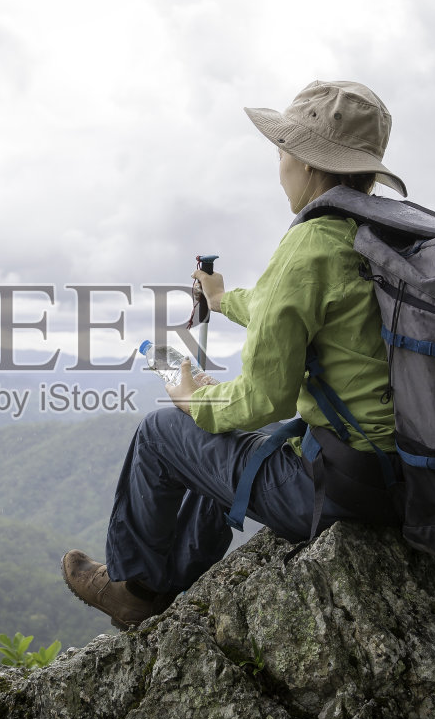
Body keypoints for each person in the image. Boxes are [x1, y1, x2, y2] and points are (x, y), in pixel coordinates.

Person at [62, 80, 407, 628]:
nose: (280, 166)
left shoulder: (311, 244)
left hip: (341, 491)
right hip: (398, 477)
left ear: (307, 161)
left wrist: (191, 398)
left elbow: (264, 399)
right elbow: (294, 308)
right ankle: (174, 584)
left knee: (162, 431)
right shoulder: (376, 235)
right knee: (236, 438)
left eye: (281, 151)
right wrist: (221, 299)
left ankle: (133, 589)